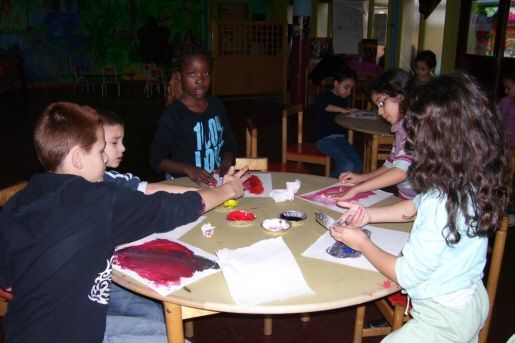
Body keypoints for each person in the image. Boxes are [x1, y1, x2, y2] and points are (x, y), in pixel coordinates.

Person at [0, 102, 248, 343]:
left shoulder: (18, 202)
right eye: (99, 152)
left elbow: (6, 281)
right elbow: (175, 208)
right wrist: (228, 191)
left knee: (165, 330)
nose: (104, 160)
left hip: (28, 330)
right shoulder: (99, 201)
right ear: (78, 158)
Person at [332, 72, 510, 343]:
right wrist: (369, 215)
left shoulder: (443, 200)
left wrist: (361, 244)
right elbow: (415, 206)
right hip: (470, 302)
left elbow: (406, 274)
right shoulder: (469, 179)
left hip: (442, 319)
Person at [150, 39, 237, 186]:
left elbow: (229, 140)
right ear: (179, 77)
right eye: (191, 74)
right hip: (185, 183)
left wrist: (227, 159)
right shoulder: (173, 115)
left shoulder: (217, 105)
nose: (200, 80)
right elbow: (156, 160)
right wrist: (188, 169)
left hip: (215, 181)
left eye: (206, 72)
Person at [331, 69, 416, 201]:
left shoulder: (412, 129)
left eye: (382, 103)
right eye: (377, 106)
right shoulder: (400, 128)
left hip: (422, 206)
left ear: (400, 97)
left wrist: (358, 188)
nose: (380, 112)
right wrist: (361, 178)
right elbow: (391, 164)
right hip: (408, 200)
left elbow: (400, 172)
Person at [98, 108, 195, 194]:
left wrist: (199, 193)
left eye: (122, 141)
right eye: (114, 142)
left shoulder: (113, 180)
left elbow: (148, 189)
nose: (123, 148)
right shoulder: (107, 180)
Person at [314, 67, 363, 177]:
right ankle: (332, 185)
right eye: (346, 87)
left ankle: (346, 187)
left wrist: (351, 114)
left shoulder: (344, 99)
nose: (349, 92)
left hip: (340, 138)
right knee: (347, 164)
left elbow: (342, 116)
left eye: (351, 89)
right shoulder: (324, 95)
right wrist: (343, 110)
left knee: (357, 163)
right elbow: (324, 106)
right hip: (324, 140)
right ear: (336, 83)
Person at [498, 71, 515, 147]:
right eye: (505, 87)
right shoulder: (503, 102)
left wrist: (509, 132)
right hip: (502, 143)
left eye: (508, 88)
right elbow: (496, 117)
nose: (505, 91)